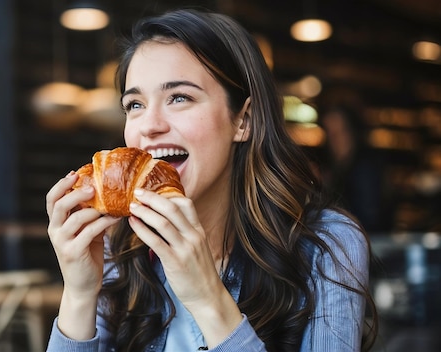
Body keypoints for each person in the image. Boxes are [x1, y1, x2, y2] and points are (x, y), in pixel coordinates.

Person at [45, 8, 378, 352]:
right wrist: (80, 295)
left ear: (243, 120)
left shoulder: (326, 245)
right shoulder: (120, 247)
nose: (149, 125)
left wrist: (207, 298)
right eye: (135, 104)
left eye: (179, 98)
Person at [319, 105, 391, 233]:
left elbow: (368, 219)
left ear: (351, 132)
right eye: (329, 133)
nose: (333, 140)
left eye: (337, 133)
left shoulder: (364, 169)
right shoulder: (337, 168)